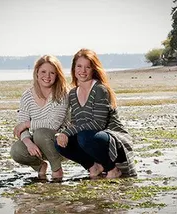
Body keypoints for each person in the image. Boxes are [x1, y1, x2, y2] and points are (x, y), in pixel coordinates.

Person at [55, 48, 136, 179]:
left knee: (83, 137)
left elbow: (99, 124)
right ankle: (94, 167)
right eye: (79, 66)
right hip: (90, 138)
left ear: (94, 69)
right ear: (74, 68)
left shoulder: (99, 89)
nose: (83, 71)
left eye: (88, 67)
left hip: (112, 138)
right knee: (58, 142)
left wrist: (68, 132)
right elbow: (75, 123)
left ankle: (112, 169)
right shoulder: (72, 94)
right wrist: (63, 134)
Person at [10, 55, 69, 179]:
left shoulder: (62, 93)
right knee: (16, 150)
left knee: (40, 133)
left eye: (52, 73)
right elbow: (21, 127)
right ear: (36, 73)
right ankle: (40, 166)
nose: (47, 76)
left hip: (62, 142)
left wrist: (27, 124)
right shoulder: (27, 96)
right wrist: (28, 143)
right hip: (40, 142)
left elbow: (53, 124)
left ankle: (57, 170)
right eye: (43, 72)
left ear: (57, 75)